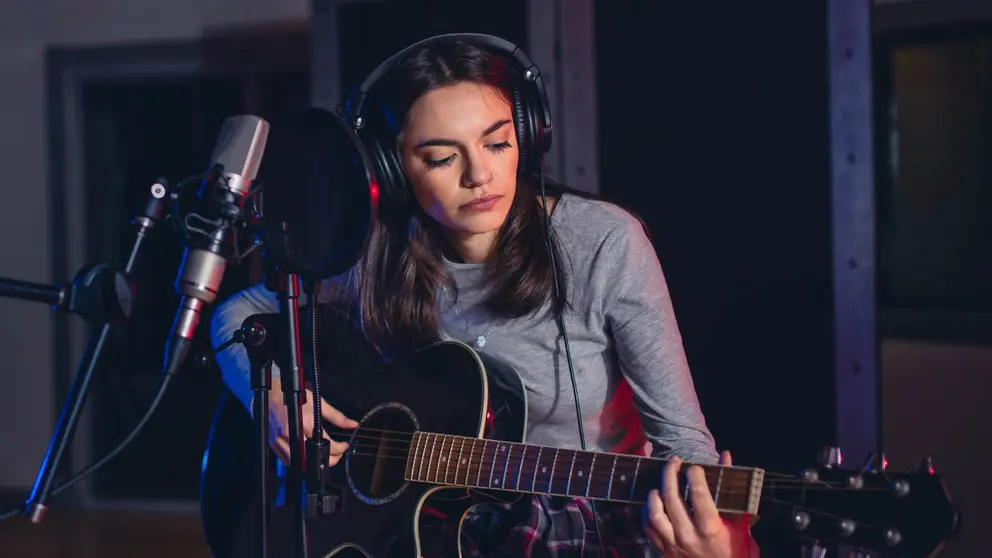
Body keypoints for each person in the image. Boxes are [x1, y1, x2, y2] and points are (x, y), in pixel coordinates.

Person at [212, 34, 758, 557]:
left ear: (528, 133)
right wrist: (275, 402)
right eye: (442, 158)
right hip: (422, 532)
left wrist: (718, 543)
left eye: (497, 142)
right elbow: (237, 314)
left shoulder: (604, 242)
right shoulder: (373, 253)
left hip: (581, 527)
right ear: (392, 170)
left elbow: (684, 445)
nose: (481, 175)